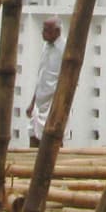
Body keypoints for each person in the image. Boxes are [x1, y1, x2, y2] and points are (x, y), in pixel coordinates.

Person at [27, 18, 63, 146]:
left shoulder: (63, 50)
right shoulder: (45, 47)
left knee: (52, 139)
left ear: (57, 31)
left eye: (47, 30)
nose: (43, 33)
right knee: (33, 135)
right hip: (39, 102)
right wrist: (32, 103)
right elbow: (41, 78)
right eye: (43, 29)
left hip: (53, 103)